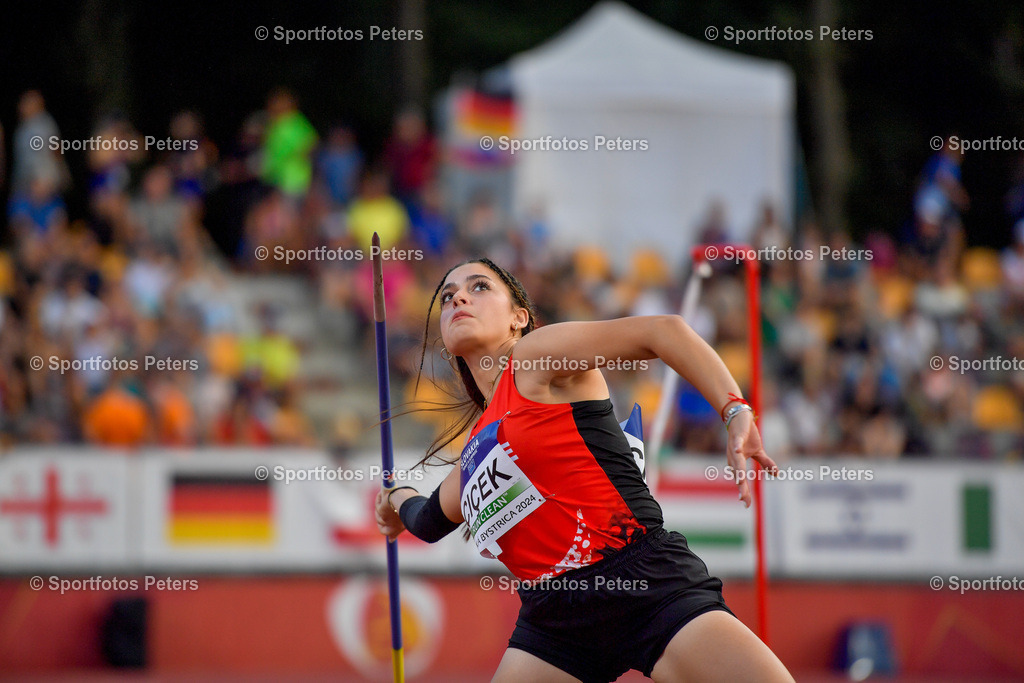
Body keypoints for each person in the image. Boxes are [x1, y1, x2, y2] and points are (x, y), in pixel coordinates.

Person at [375, 258, 794, 682]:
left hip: (643, 582)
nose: (458, 299)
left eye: (479, 287)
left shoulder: (534, 358)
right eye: (447, 297)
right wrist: (394, 497)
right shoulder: (475, 451)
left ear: (519, 317)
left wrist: (734, 410)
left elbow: (663, 331)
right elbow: (427, 519)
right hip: (554, 622)